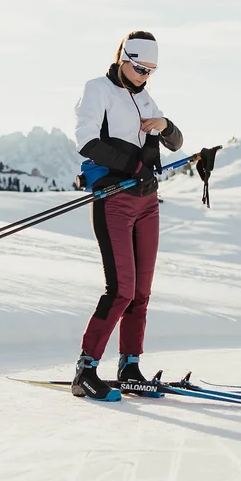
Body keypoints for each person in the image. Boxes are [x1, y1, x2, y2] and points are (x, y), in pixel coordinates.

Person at [71, 31, 184, 401]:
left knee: (141, 293)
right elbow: (87, 141)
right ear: (123, 58)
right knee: (120, 290)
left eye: (151, 70)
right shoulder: (98, 90)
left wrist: (165, 126)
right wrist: (133, 165)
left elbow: (176, 141)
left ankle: (130, 366)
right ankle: (85, 370)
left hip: (147, 203)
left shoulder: (145, 96)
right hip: (115, 199)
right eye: (139, 68)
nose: (144, 76)